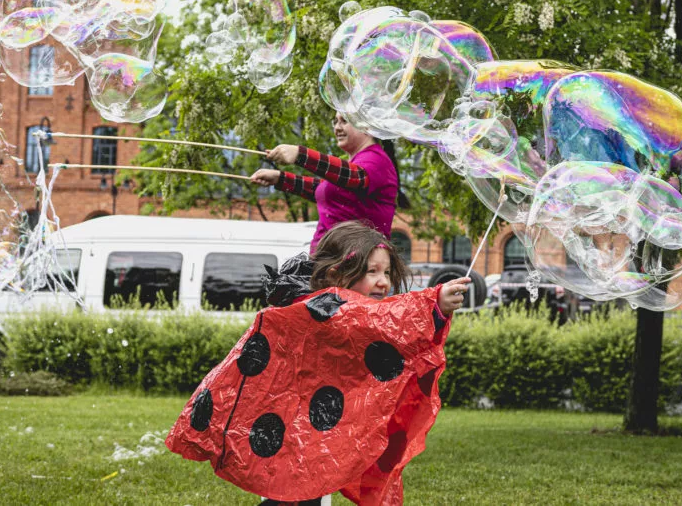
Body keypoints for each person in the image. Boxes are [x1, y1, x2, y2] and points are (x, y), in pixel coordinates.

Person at [166, 221, 470, 506]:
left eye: (387, 272)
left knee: (302, 489)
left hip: (305, 430)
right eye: (372, 272)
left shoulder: (337, 309)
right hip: (292, 429)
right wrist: (433, 304)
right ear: (340, 273)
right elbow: (376, 320)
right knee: (296, 491)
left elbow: (385, 333)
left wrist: (435, 310)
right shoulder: (326, 306)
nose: (383, 282)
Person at [250, 113, 407, 252]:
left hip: (357, 267)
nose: (337, 127)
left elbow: (357, 177)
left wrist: (300, 155)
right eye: (335, 121)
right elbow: (325, 190)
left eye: (344, 121)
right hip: (331, 264)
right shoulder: (354, 163)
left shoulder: (376, 159)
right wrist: (281, 178)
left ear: (365, 125)